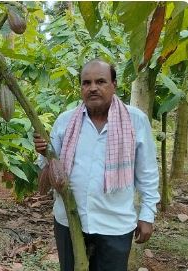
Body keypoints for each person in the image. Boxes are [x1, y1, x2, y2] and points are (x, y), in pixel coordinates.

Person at [33, 59, 160, 271]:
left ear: (114, 85)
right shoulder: (65, 121)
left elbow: (147, 172)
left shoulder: (135, 120)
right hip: (69, 221)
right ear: (81, 87)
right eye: (86, 83)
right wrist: (42, 152)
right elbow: (48, 169)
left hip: (115, 224)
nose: (93, 88)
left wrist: (147, 215)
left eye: (100, 81)